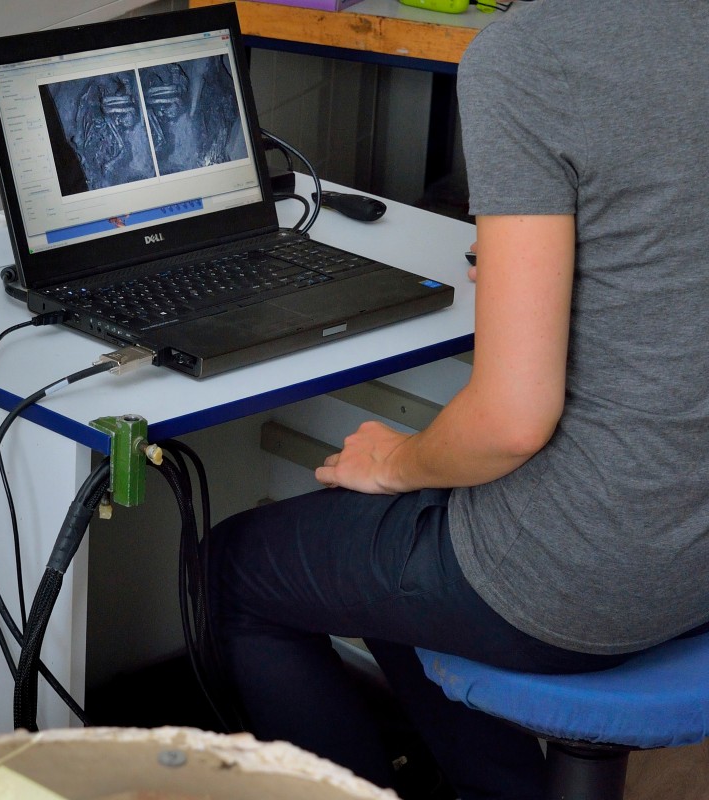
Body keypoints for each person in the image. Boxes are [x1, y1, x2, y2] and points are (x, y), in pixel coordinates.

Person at [204, 1, 709, 797]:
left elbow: (509, 424)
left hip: (596, 575)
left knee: (231, 571)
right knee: (388, 542)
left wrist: (397, 462)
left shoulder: (534, 54)